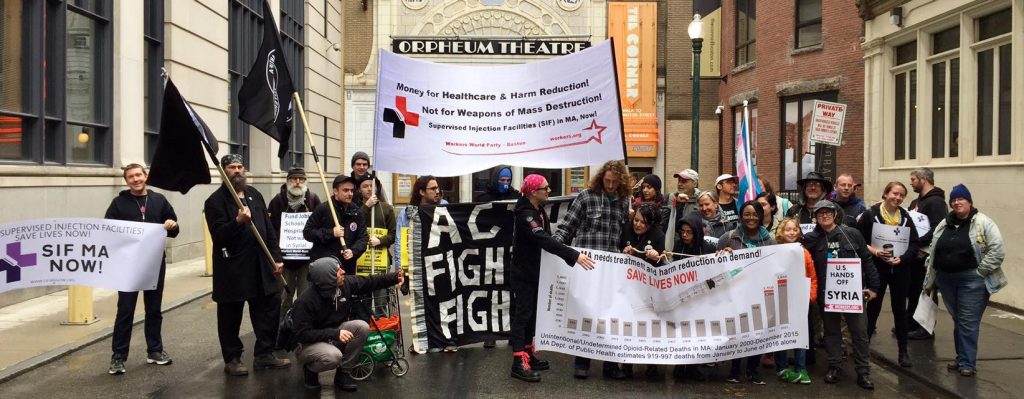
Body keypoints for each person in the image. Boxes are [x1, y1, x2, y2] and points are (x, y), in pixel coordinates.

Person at [204, 154, 290, 375]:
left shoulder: (255, 195)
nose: (237, 170)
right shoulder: (215, 201)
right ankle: (232, 358)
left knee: (268, 308)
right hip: (233, 268)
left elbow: (269, 230)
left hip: (261, 265)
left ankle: (264, 354)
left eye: (240, 166)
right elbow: (219, 236)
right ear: (223, 171)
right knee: (230, 315)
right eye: (232, 167)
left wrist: (277, 257)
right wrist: (237, 222)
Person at [509, 174, 596, 382]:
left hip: (535, 272)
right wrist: (573, 255)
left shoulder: (538, 210)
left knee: (531, 316)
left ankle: (528, 353)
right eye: (545, 188)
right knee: (522, 316)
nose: (549, 191)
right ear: (532, 192)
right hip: (523, 274)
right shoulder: (526, 215)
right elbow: (543, 239)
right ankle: (518, 362)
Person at [554, 160, 632, 380]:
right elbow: (567, 226)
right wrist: (552, 245)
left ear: (621, 181)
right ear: (601, 178)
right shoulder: (586, 197)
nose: (610, 185)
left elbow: (622, 234)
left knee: (609, 315)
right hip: (587, 266)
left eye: (614, 182)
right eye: (607, 180)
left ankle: (609, 365)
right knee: (586, 314)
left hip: (611, 269)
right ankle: (582, 362)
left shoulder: (624, 201)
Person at [923, 184, 1005, 377]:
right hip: (946, 279)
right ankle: (961, 358)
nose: (957, 202)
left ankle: (968, 363)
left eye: (961, 199)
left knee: (967, 322)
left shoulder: (983, 222)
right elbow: (934, 247)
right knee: (959, 320)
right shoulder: (945, 223)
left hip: (972, 280)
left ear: (970, 201)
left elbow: (997, 250)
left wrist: (980, 272)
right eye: (954, 200)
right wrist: (930, 263)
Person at [105, 163, 179, 375]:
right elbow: (108, 231)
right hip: (128, 266)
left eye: (138, 175)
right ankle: (118, 357)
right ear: (126, 181)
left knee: (154, 309)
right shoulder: (118, 203)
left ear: (145, 176)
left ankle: (154, 351)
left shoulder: (159, 200)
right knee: (125, 311)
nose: (135, 179)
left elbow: (174, 228)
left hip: (154, 263)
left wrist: (172, 225)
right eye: (131, 177)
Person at [293, 257, 404, 391]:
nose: (343, 272)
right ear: (327, 276)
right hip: (307, 345)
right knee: (333, 356)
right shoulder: (305, 301)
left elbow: (369, 281)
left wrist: (395, 277)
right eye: (338, 271)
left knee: (362, 327)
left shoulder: (345, 284)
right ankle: (311, 370)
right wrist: (335, 334)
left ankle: (343, 374)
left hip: (332, 335)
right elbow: (302, 334)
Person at [803, 200, 880, 390]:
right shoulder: (812, 239)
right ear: (816, 217)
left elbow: (867, 260)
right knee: (831, 333)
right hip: (827, 296)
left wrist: (874, 287)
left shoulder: (852, 234)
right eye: (820, 213)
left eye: (828, 212)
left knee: (860, 333)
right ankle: (835, 366)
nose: (824, 216)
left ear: (835, 214)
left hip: (854, 294)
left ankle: (863, 372)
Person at [856, 181, 919, 367]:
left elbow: (914, 243)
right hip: (877, 270)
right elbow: (858, 240)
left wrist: (904, 258)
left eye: (901, 195)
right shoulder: (871, 215)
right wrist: (875, 253)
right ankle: (863, 351)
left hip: (900, 271)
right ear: (885, 194)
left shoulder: (905, 217)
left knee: (900, 310)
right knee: (873, 310)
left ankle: (903, 351)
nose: (897, 198)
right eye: (894, 193)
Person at [716, 200, 776, 385]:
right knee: (737, 331)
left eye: (754, 214)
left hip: (759, 292)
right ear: (741, 216)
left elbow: (775, 266)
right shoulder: (729, 237)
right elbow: (716, 265)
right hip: (736, 293)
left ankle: (752, 370)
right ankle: (735, 369)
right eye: (746, 214)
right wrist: (724, 254)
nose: (750, 218)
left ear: (760, 217)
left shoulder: (769, 241)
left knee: (757, 331)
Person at [394, 175, 456, 352]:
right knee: (419, 305)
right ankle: (421, 341)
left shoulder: (444, 207)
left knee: (442, 303)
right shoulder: (407, 213)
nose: (438, 191)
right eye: (433, 188)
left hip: (439, 263)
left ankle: (447, 341)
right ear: (421, 192)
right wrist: (402, 272)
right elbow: (401, 243)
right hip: (418, 266)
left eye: (438, 188)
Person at [304, 175, 369, 320]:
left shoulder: (356, 212)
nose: (350, 193)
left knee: (344, 307)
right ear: (335, 191)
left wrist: (354, 251)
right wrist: (330, 233)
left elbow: (363, 237)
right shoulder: (323, 209)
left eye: (352, 190)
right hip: (324, 272)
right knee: (321, 308)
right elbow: (307, 232)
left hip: (346, 269)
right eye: (345, 190)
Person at [268, 167, 322, 321]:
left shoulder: (313, 199)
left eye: (301, 179)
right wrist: (276, 256)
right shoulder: (278, 201)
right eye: (294, 179)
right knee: (284, 298)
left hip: (306, 260)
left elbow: (320, 226)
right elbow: (270, 230)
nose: (298, 182)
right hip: (285, 261)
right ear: (288, 181)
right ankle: (281, 332)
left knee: (305, 297)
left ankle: (301, 329)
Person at [666, 212, 714, 382]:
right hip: (682, 296)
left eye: (689, 232)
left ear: (697, 232)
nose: (685, 235)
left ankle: (693, 366)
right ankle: (680, 365)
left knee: (696, 332)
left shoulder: (707, 248)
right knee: (681, 331)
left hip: (701, 298)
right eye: (682, 231)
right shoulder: (679, 246)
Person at [619, 204, 666, 380]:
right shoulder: (625, 230)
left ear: (651, 224)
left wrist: (656, 256)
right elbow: (616, 253)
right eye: (636, 220)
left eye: (643, 223)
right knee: (628, 325)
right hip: (628, 287)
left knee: (650, 326)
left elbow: (661, 262)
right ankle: (626, 363)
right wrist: (623, 252)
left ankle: (652, 365)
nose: (637, 225)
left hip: (648, 289)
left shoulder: (658, 235)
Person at [772, 218, 817, 385]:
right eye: (788, 229)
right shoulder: (775, 252)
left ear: (798, 232)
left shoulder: (804, 252)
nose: (791, 232)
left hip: (800, 301)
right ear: (781, 233)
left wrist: (811, 296)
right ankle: (781, 367)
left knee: (800, 335)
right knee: (781, 334)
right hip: (781, 299)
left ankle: (801, 367)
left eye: (794, 229)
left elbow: (812, 276)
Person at [907, 167, 947, 340]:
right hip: (914, 254)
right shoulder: (916, 202)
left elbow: (938, 228)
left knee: (926, 291)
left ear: (923, 179)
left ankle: (926, 328)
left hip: (926, 255)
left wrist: (919, 243)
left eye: (914, 179)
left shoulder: (936, 202)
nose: (911, 183)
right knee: (913, 290)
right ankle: (912, 323)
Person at [356, 175, 396, 315]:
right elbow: (352, 225)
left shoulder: (387, 209)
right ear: (359, 190)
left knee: (381, 301)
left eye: (372, 185)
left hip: (380, 260)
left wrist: (380, 241)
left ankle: (383, 331)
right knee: (363, 302)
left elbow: (393, 234)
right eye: (365, 186)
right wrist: (366, 207)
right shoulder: (356, 209)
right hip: (362, 261)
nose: (369, 189)